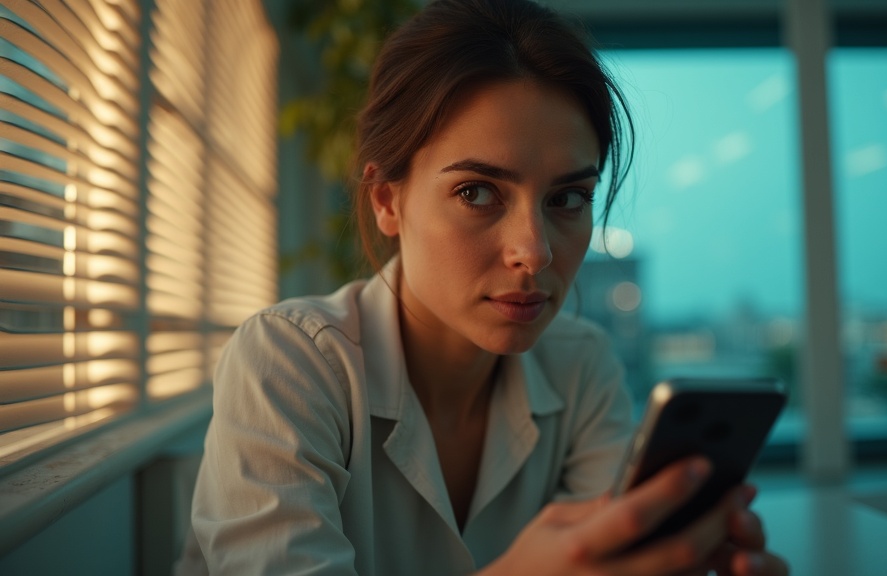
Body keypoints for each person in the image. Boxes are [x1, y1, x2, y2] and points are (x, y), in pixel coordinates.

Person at [183, 0, 789, 574]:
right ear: (387, 200)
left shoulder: (582, 369)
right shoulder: (289, 364)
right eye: (477, 193)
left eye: (568, 198)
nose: (535, 251)